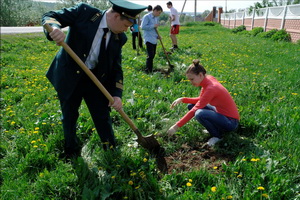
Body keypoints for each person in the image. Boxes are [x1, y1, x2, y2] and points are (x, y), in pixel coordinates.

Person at [42, 0, 147, 159]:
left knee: (102, 115)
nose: (127, 29)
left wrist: (117, 93)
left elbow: (115, 67)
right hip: (70, 75)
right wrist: (55, 29)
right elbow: (49, 16)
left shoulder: (120, 38)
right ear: (117, 16)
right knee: (69, 115)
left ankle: (111, 150)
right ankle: (71, 151)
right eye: (126, 25)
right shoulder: (84, 12)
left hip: (95, 79)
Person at [167, 59, 240, 147]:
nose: (191, 82)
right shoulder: (207, 80)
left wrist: (175, 127)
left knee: (199, 113)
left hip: (231, 122)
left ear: (200, 75)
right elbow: (201, 100)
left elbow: (196, 109)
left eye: (192, 79)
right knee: (191, 106)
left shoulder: (211, 88)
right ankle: (215, 128)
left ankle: (217, 136)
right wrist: (183, 99)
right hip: (221, 114)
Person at [141, 5, 163, 73]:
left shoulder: (156, 18)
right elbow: (143, 27)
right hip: (148, 38)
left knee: (153, 55)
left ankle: (150, 68)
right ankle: (148, 70)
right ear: (155, 10)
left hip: (154, 38)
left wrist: (157, 36)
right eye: (159, 12)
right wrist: (153, 25)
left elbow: (155, 29)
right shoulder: (147, 17)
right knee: (150, 55)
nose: (159, 14)